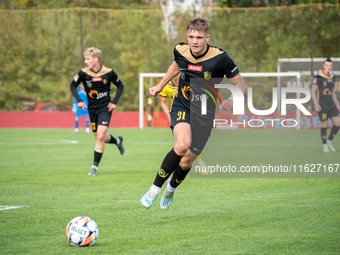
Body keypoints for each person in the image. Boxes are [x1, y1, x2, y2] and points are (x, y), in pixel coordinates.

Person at [140, 17, 247, 210]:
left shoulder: (220, 58)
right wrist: (160, 84)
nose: (194, 41)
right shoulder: (180, 50)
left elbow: (241, 83)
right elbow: (176, 65)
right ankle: (154, 189)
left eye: (199, 37)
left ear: (207, 37)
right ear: (186, 36)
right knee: (181, 145)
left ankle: (170, 189)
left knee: (187, 159)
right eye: (191, 36)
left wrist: (233, 98)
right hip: (182, 104)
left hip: (204, 113)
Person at [70, 47, 125, 176]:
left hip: (105, 108)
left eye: (88, 59)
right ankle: (117, 141)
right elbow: (72, 86)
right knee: (99, 137)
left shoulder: (109, 72)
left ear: (96, 59)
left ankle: (94, 168)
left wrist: (114, 102)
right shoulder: (83, 73)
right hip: (92, 109)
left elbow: (120, 86)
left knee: (100, 136)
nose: (85, 61)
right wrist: (79, 100)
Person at [159, 64, 208, 175]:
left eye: (177, 73)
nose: (175, 76)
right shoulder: (166, 86)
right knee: (182, 145)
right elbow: (162, 102)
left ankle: (198, 165)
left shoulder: (186, 82)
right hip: (177, 116)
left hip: (192, 114)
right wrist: (169, 116)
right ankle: (194, 165)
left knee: (187, 143)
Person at [311, 58, 340, 153]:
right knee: (325, 125)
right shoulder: (318, 77)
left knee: (338, 123)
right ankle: (324, 145)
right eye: (327, 65)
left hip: (332, 105)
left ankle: (329, 141)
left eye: (330, 65)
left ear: (332, 66)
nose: (328, 67)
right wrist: (316, 104)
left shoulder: (332, 76)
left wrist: (337, 103)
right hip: (322, 106)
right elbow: (313, 91)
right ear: (324, 66)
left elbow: (332, 92)